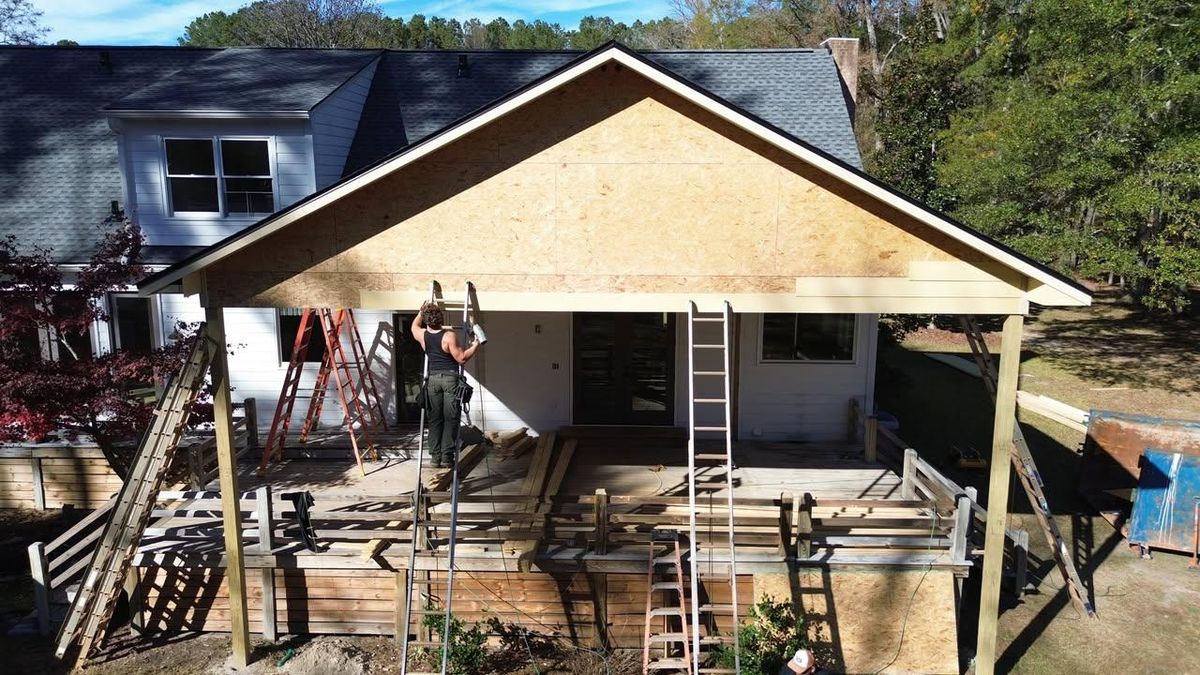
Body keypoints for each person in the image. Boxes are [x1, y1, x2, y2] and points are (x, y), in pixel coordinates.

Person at [411, 302, 482, 468]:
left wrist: (421, 312)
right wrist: (476, 344)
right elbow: (462, 358)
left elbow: (414, 325)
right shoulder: (448, 336)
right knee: (450, 419)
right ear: (440, 319)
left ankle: (435, 458)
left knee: (435, 419)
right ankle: (446, 458)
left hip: (433, 380)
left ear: (427, 321)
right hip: (450, 379)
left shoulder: (422, 334)